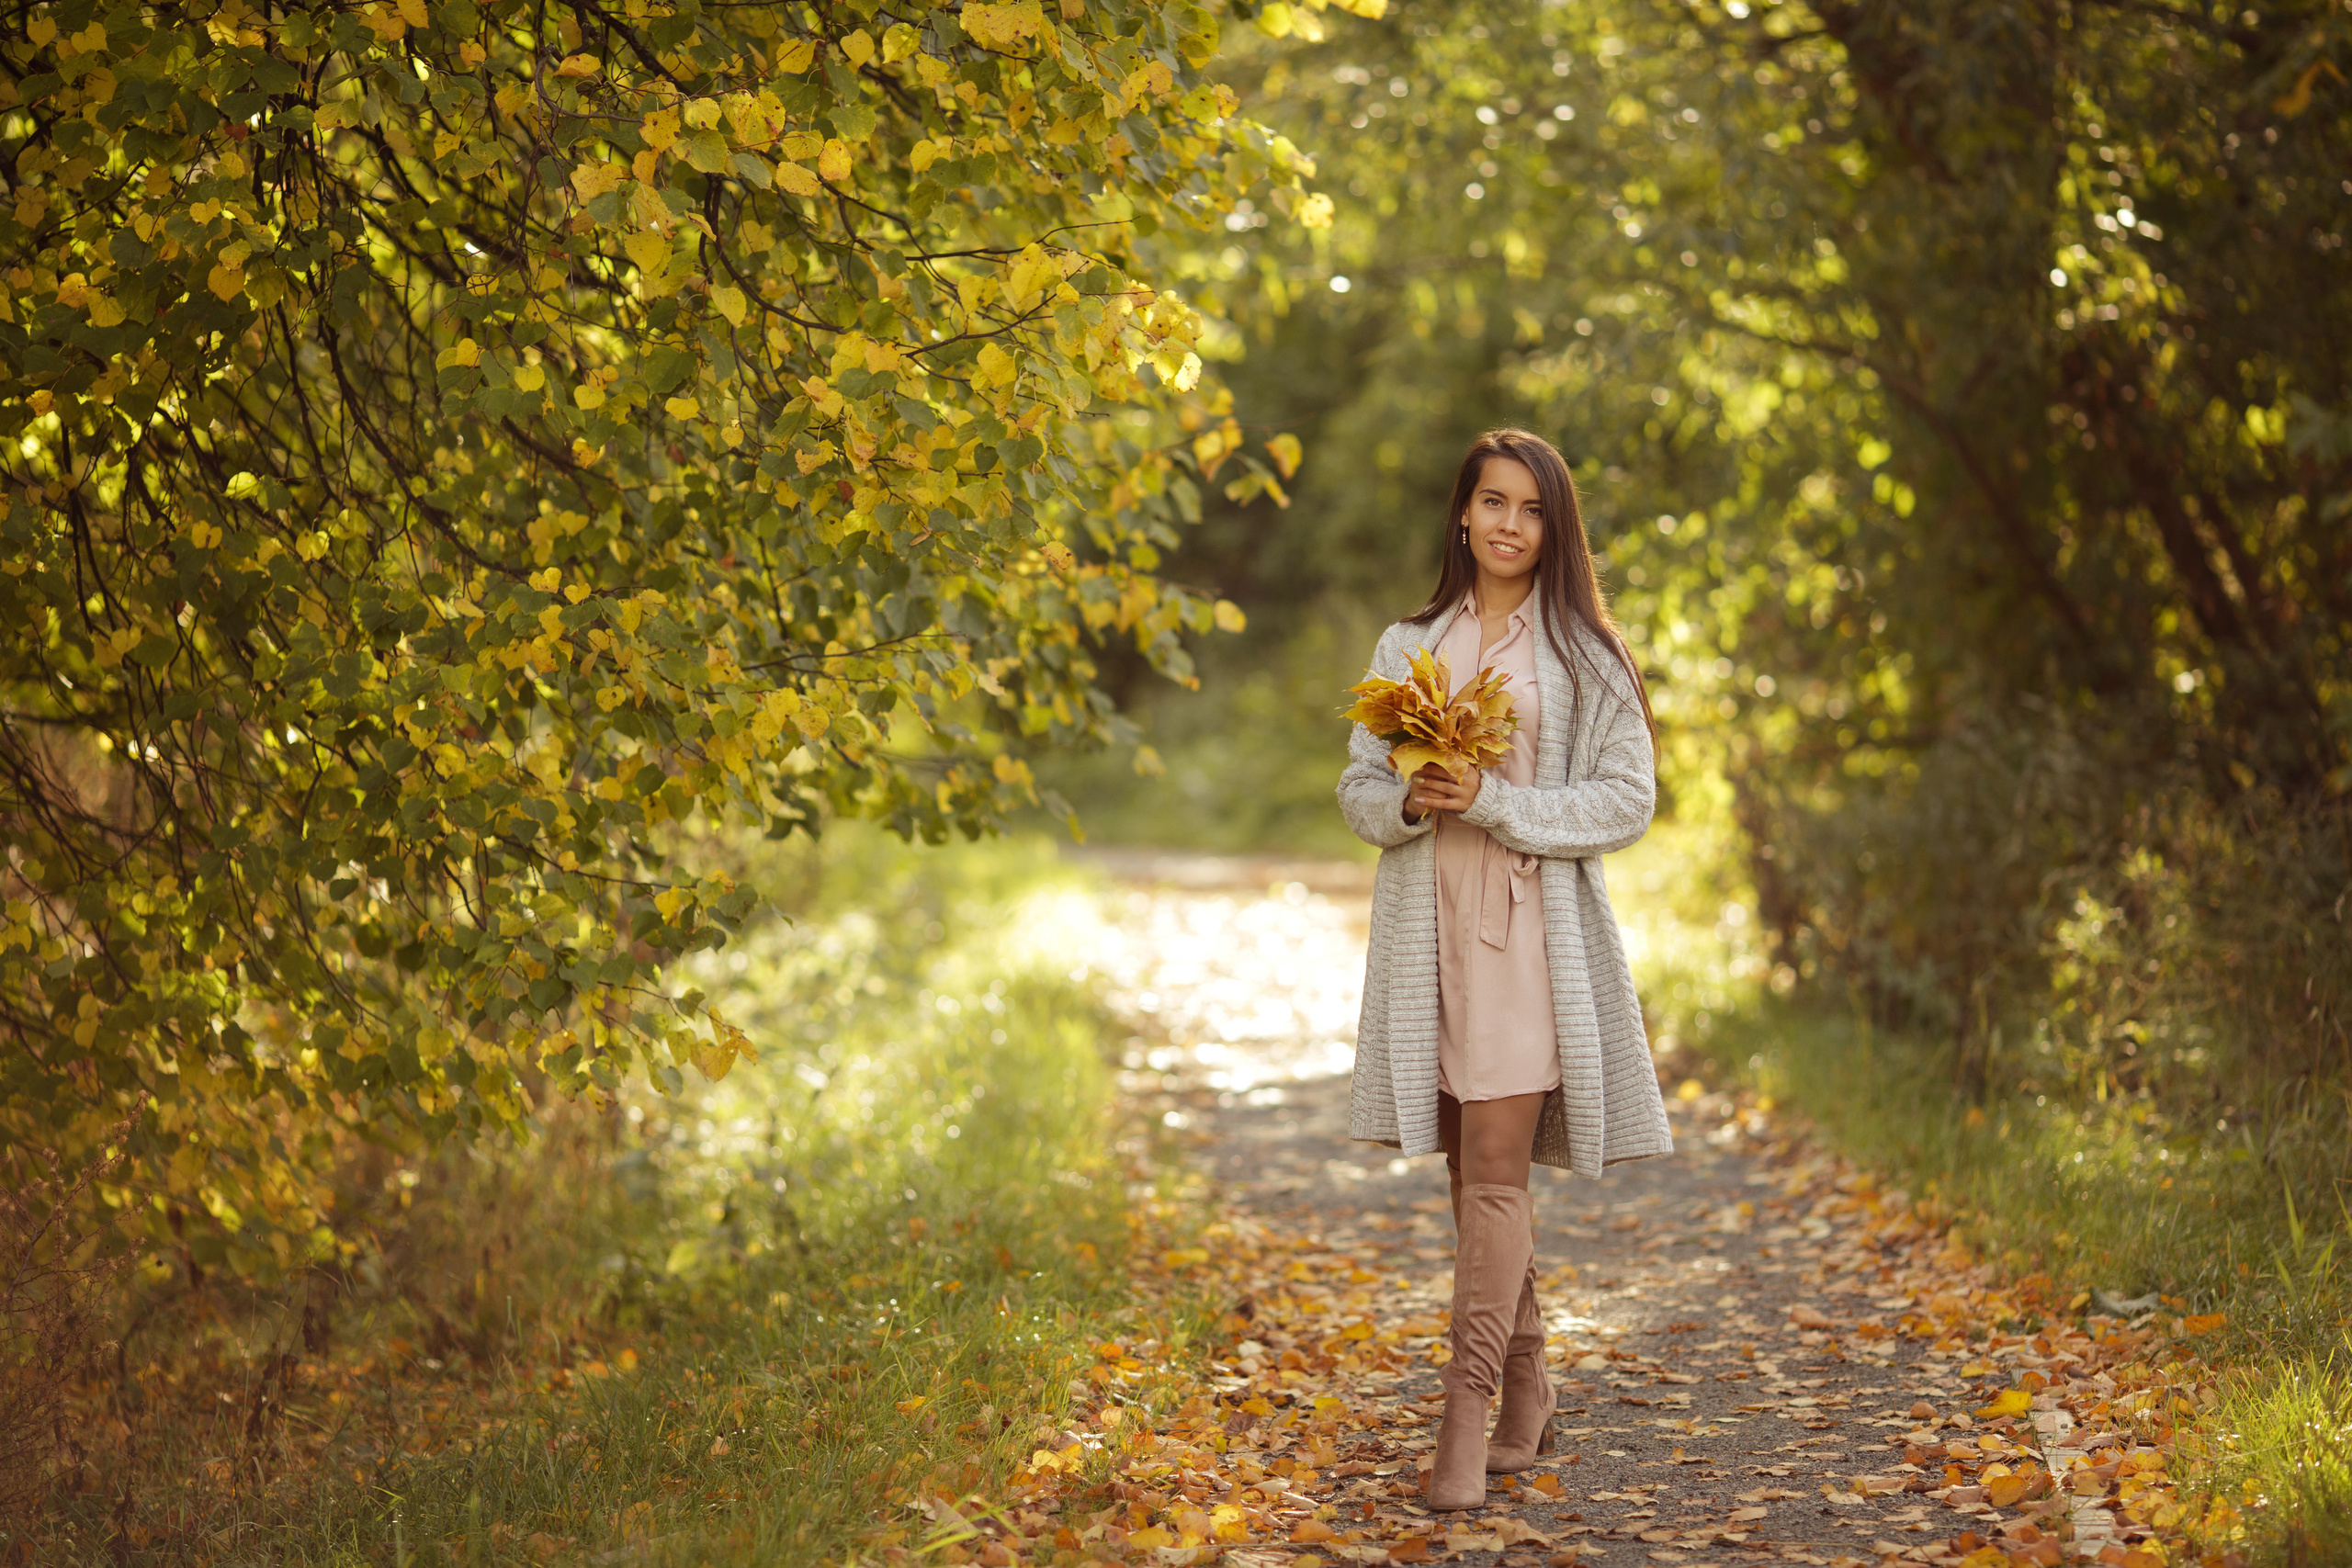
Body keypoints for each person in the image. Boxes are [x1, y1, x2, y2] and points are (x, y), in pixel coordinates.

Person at [1337, 428, 1672, 1510]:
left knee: (1493, 1166)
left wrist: (1495, 802)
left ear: (1554, 527)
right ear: (1462, 514)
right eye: (1492, 502)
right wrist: (1406, 801)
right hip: (1428, 935)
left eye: (1530, 509)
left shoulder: (1587, 655)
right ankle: (1528, 1384)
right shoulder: (1408, 645)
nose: (1509, 525)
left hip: (1531, 937)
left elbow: (1626, 800)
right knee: (1468, 1172)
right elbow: (1356, 788)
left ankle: (1463, 1417)